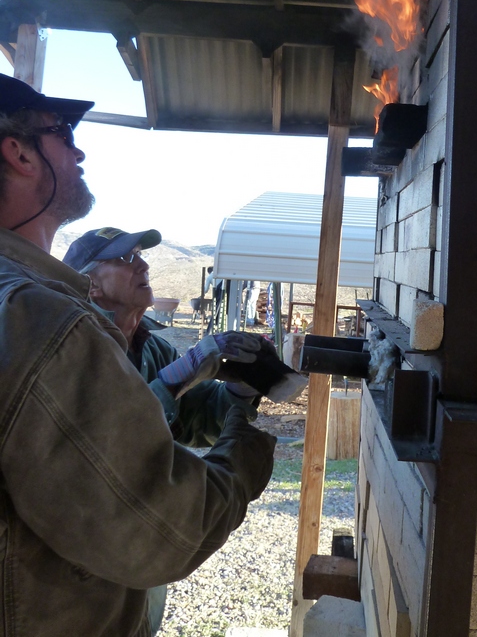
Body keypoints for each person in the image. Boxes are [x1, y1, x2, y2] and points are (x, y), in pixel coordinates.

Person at [0, 73, 276, 637]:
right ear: (18, 153)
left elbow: (177, 421)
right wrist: (243, 457)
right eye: (60, 133)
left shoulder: (124, 339)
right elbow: (159, 529)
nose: (77, 150)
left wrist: (238, 395)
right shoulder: (49, 325)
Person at [62, 226, 266, 634]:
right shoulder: (73, 346)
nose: (143, 263)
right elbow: (107, 438)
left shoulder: (153, 346)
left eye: (139, 254)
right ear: (90, 284)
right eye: (124, 259)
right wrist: (172, 381)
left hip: (146, 524)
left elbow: (196, 418)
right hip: (85, 539)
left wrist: (241, 389)